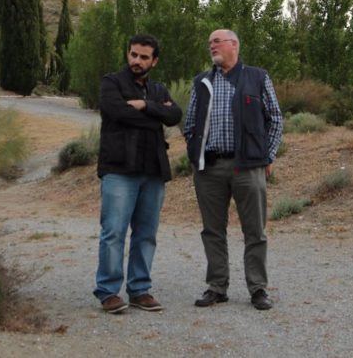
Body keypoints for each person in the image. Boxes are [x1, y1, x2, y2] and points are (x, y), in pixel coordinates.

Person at [182, 29, 283, 311]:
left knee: (255, 232)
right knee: (212, 231)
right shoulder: (202, 82)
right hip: (209, 168)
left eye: (217, 41)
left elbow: (275, 120)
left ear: (234, 45)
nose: (211, 45)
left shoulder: (257, 77)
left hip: (248, 166)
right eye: (209, 42)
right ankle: (217, 287)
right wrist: (195, 156)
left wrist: (268, 155)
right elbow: (189, 125)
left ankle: (258, 288)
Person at [94, 34, 182, 314]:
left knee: (146, 234)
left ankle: (139, 289)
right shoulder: (111, 83)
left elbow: (175, 115)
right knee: (114, 232)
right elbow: (117, 113)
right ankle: (108, 292)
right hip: (119, 169)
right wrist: (156, 115)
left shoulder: (157, 89)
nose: (137, 61)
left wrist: (145, 106)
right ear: (128, 54)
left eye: (144, 57)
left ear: (154, 61)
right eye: (133, 54)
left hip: (153, 170)